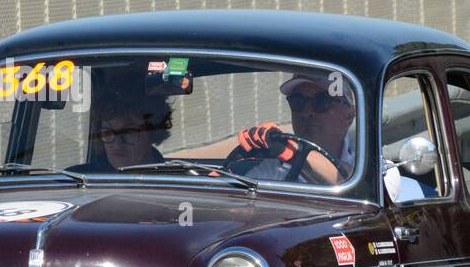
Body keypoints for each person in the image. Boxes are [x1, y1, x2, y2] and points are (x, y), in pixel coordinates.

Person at [177, 72, 356, 185]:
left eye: (322, 101)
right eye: (298, 101)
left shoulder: (370, 163)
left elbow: (348, 183)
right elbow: (229, 204)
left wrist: (292, 154)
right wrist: (225, 176)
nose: (307, 111)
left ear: (349, 115)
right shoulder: (274, 167)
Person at [68, 89, 173, 173]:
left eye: (128, 133)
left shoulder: (174, 182)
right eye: (108, 133)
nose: (117, 145)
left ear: (152, 132)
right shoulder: (75, 181)